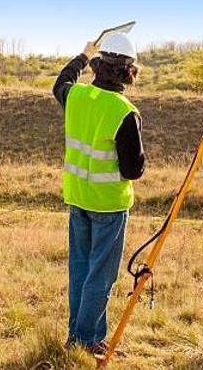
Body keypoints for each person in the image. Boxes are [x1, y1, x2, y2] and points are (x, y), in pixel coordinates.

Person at [52, 33, 145, 355]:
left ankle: (78, 336)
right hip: (108, 205)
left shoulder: (75, 96)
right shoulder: (124, 111)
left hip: (77, 198)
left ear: (98, 64)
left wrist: (81, 55)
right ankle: (86, 340)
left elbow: (60, 83)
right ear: (129, 71)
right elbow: (133, 170)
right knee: (100, 277)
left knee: (80, 270)